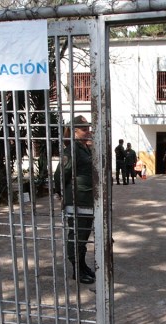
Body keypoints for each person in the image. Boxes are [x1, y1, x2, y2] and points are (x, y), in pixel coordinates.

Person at [54, 115, 96, 285]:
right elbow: (59, 175)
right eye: (84, 129)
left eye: (88, 128)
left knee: (83, 235)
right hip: (77, 199)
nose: (88, 131)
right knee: (77, 234)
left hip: (87, 199)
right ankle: (76, 270)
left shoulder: (83, 148)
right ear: (74, 131)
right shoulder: (72, 150)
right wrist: (62, 194)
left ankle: (82, 265)